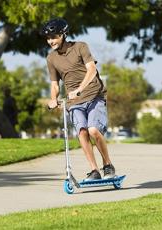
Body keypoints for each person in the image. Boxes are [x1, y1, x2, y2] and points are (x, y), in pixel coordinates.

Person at [41, 18, 116, 181]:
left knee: (93, 130)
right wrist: (53, 99)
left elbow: (92, 70)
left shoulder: (80, 47)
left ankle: (108, 165)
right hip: (74, 102)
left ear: (63, 34)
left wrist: (80, 89)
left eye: (54, 37)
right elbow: (55, 84)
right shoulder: (51, 59)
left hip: (94, 95)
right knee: (82, 132)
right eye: (48, 38)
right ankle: (94, 170)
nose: (51, 41)